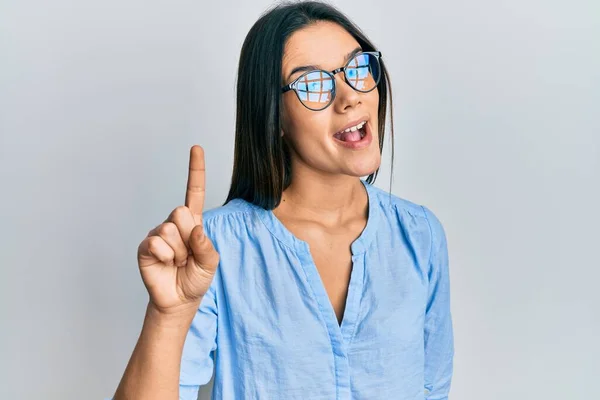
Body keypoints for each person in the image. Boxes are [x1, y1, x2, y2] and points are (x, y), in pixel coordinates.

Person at [111, 1, 454, 399]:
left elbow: (434, 389)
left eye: (358, 68)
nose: (349, 97)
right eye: (313, 84)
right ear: (274, 118)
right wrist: (167, 315)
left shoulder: (420, 235)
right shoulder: (215, 248)